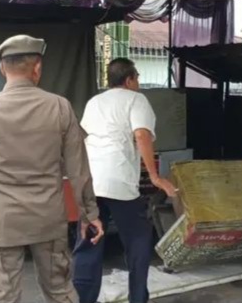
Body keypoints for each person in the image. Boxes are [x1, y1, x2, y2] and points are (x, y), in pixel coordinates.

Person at [0, 34, 102, 303]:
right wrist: (90, 214)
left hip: (0, 222)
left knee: (3, 298)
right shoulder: (60, 107)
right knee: (60, 292)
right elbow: (79, 169)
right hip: (48, 219)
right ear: (37, 67)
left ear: (2, 68)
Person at [73, 57, 177, 303]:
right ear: (129, 80)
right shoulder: (136, 100)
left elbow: (83, 136)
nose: (138, 82)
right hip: (119, 182)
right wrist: (155, 176)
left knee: (89, 243)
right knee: (138, 240)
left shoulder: (94, 102)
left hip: (92, 182)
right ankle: (138, 298)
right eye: (137, 77)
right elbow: (141, 134)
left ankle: (83, 299)